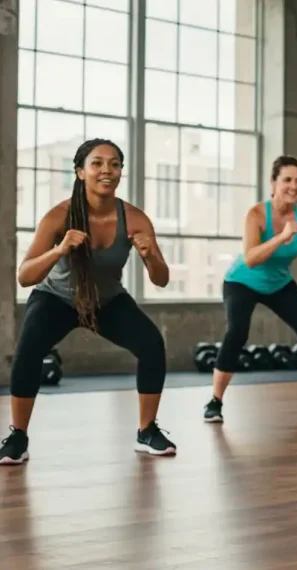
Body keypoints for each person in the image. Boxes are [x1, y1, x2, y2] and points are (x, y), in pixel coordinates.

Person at [0, 138, 176, 465]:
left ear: (121, 171)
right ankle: (18, 436)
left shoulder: (135, 218)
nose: (106, 170)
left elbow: (161, 279)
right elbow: (25, 276)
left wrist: (151, 256)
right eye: (97, 163)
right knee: (28, 351)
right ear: (80, 172)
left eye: (114, 164)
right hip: (56, 298)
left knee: (152, 343)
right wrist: (59, 250)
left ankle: (146, 430)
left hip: (106, 301)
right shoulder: (59, 216)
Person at [203, 156, 297, 423]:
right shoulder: (257, 214)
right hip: (242, 281)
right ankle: (215, 401)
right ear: (273, 183)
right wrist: (282, 237)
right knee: (236, 333)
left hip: (278, 282)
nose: (293, 186)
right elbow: (251, 258)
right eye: (287, 180)